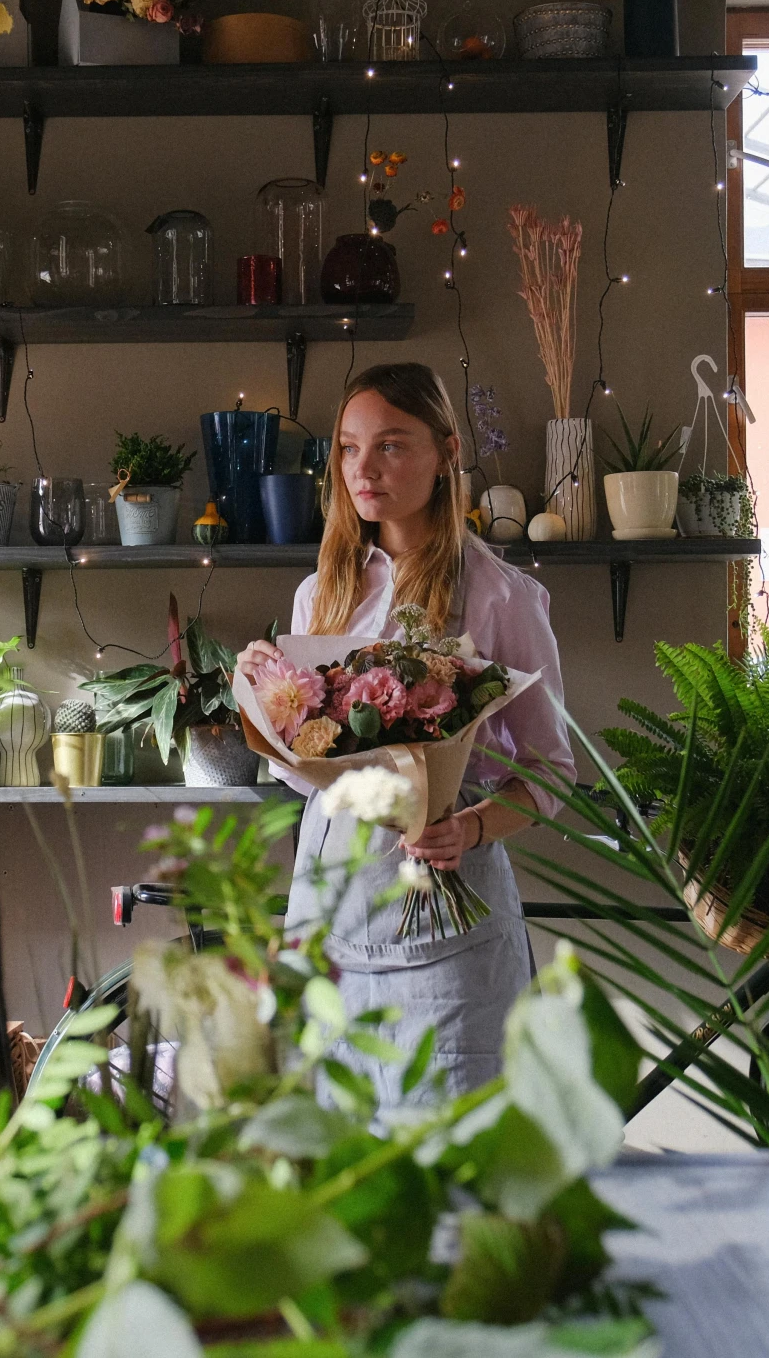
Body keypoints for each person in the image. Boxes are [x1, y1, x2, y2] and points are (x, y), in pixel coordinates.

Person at [238, 362, 574, 1099]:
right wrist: (267, 699)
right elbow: (304, 772)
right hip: (328, 909)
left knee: (450, 1148)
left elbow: (552, 770)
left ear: (448, 450)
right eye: (350, 449)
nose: (366, 468)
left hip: (445, 920)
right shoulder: (319, 591)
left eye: (391, 444)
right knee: (336, 1158)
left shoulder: (499, 595)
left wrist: (474, 827)